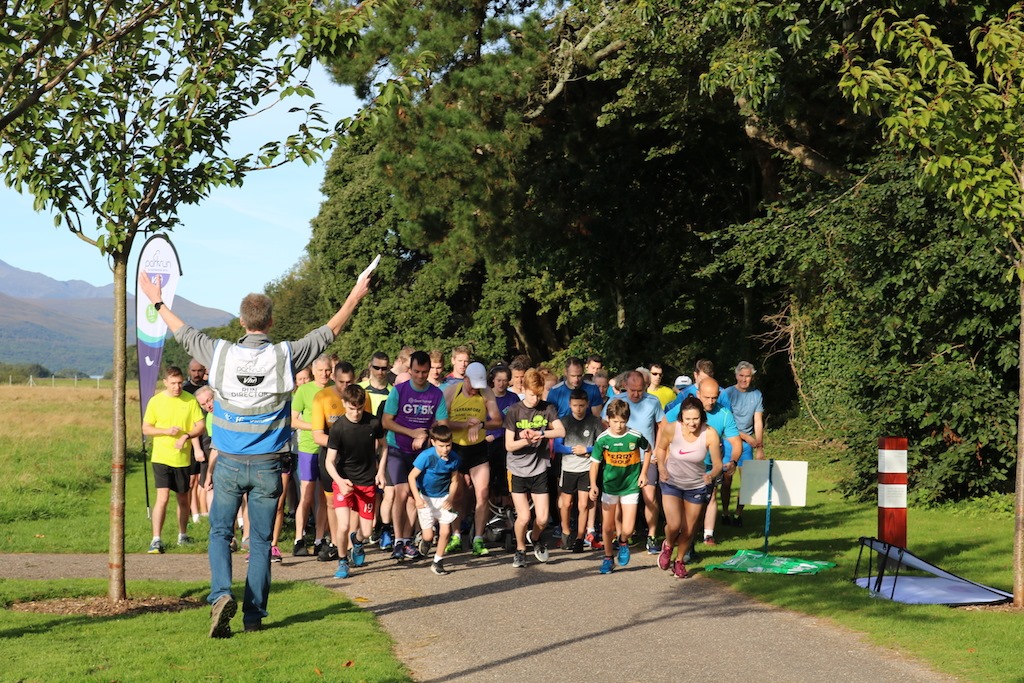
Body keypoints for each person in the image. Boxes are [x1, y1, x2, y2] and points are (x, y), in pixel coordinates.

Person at [137, 269, 370, 637]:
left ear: (242, 322)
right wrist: (356, 294)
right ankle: (252, 616)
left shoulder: (220, 354)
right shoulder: (285, 355)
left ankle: (220, 596)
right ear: (271, 322)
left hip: (228, 463)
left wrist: (157, 298)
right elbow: (330, 331)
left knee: (219, 534)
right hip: (268, 465)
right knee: (260, 541)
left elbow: (181, 331)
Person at [381, 350, 449, 561]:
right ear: (409, 370)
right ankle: (398, 540)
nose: (421, 376)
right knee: (401, 493)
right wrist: (412, 433)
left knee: (414, 497)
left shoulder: (436, 394)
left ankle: (407, 539)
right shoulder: (399, 391)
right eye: (417, 372)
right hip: (398, 448)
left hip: (422, 452)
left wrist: (426, 434)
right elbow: (386, 421)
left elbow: (443, 426)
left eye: (425, 372)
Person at [650, 396, 723, 578]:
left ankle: (680, 561)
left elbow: (717, 464)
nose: (692, 423)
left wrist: (711, 475)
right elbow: (660, 449)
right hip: (672, 482)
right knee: (674, 525)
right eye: (688, 419)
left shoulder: (710, 434)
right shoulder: (671, 429)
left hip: (696, 485)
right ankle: (667, 545)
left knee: (689, 529)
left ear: (702, 417)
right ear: (681, 417)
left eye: (696, 419)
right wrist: (660, 467)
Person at [504, 368, 565, 568]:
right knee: (524, 516)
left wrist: (541, 434)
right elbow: (508, 445)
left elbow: (560, 430)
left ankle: (535, 537)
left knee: (543, 518)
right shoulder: (514, 411)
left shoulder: (547, 408)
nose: (535, 399)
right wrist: (524, 438)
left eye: (539, 395)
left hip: (539, 468)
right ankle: (520, 549)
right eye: (532, 395)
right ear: (524, 389)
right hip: (517, 469)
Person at [668, 378, 741, 547]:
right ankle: (678, 541)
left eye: (714, 397)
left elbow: (736, 442)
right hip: (683, 466)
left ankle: (706, 535)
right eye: (707, 397)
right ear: (698, 394)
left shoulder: (724, 415)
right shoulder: (686, 408)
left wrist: (733, 461)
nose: (710, 402)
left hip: (710, 468)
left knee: (708, 499)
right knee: (686, 512)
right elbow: (665, 425)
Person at [324, 384, 386, 579]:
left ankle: (357, 542)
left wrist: (381, 472)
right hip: (345, 482)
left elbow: (384, 448)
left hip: (367, 482)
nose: (356, 413)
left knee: (367, 531)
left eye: (359, 408)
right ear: (344, 404)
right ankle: (343, 561)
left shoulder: (373, 423)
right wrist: (340, 481)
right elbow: (329, 461)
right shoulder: (338, 428)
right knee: (342, 526)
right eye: (351, 408)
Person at [142, 366, 206, 554]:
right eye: (173, 384)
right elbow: (146, 428)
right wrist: (165, 431)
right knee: (162, 498)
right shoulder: (156, 402)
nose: (177, 387)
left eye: (179, 383)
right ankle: (156, 539)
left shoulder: (190, 400)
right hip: (161, 457)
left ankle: (182, 535)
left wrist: (186, 435)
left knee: (183, 498)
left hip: (183, 459)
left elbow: (200, 426)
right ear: (165, 383)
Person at [443, 361, 502, 556]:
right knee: (457, 495)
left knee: (483, 493)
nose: (476, 390)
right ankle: (456, 535)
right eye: (473, 386)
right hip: (457, 449)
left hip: (478, 449)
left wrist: (482, 424)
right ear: (465, 379)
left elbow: (498, 420)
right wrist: (463, 425)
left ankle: (478, 537)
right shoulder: (452, 392)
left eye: (479, 387)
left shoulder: (486, 393)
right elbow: (440, 422)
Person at [603, 371, 664, 554]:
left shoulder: (652, 401)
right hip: (623, 460)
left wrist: (658, 448)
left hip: (647, 457)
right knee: (621, 499)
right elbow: (604, 421)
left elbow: (662, 425)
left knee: (650, 497)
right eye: (632, 390)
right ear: (625, 386)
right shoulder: (617, 400)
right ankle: (620, 535)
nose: (636, 394)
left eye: (640, 390)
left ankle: (652, 535)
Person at [589, 398, 648, 574]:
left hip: (630, 486)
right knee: (607, 527)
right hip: (609, 487)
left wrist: (644, 473)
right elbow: (595, 463)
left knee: (628, 528)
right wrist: (593, 484)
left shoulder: (635, 436)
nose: (618, 426)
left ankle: (622, 541)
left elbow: (649, 449)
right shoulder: (603, 439)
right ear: (608, 419)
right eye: (615, 421)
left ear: (627, 420)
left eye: (622, 422)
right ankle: (608, 558)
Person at [312, 361, 357, 561]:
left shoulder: (359, 396)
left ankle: (351, 544)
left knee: (354, 500)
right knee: (331, 502)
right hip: (331, 455)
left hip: (355, 457)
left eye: (349, 382)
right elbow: (317, 435)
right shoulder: (322, 397)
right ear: (334, 378)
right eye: (341, 382)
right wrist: (339, 444)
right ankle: (336, 543)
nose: (345, 386)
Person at [290, 354, 332, 558]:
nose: (325, 374)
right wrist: (317, 427)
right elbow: (294, 421)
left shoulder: (334, 390)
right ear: (313, 371)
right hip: (308, 447)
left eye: (328, 370)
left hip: (328, 449)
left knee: (325, 497)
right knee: (306, 494)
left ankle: (319, 539)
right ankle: (299, 538)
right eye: (321, 370)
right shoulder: (304, 390)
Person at [551, 388, 601, 552]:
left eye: (581, 405)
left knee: (583, 504)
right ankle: (566, 533)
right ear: (570, 405)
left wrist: (587, 449)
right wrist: (573, 450)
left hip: (586, 469)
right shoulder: (564, 421)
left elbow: (601, 445)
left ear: (587, 404)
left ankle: (580, 537)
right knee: (566, 504)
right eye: (575, 405)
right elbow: (557, 446)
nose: (578, 409)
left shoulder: (594, 421)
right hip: (568, 468)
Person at [409, 425, 462, 575]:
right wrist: (417, 498)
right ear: (433, 442)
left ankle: (438, 561)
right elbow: (411, 477)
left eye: (448, 445)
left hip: (444, 497)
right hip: (426, 498)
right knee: (429, 536)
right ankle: (424, 539)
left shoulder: (454, 458)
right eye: (441, 446)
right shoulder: (426, 456)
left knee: (445, 531)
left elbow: (455, 481)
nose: (445, 449)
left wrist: (451, 497)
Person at [721, 361, 765, 525]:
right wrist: (746, 437)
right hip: (728, 441)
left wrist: (759, 446)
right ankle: (725, 513)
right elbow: (726, 421)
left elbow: (758, 420)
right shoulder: (727, 393)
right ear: (736, 375)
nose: (744, 380)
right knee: (726, 480)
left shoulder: (756, 394)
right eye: (741, 376)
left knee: (747, 481)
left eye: (747, 376)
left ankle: (738, 514)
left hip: (747, 445)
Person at [359, 351, 395, 548]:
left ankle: (383, 530)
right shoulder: (360, 389)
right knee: (366, 492)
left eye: (384, 368)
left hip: (385, 445)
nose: (381, 372)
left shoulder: (393, 392)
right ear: (370, 367)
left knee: (387, 491)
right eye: (377, 367)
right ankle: (365, 531)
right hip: (362, 448)